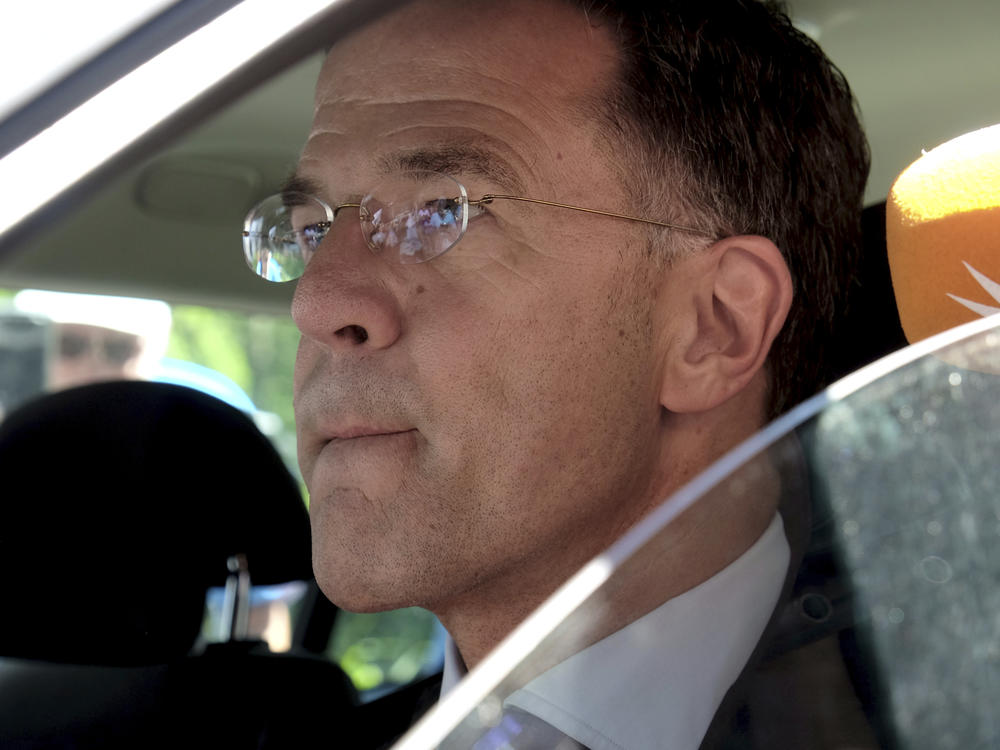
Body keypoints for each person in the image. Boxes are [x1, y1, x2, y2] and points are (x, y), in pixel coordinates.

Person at [242, 0, 868, 745]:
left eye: (442, 212)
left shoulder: (943, 707)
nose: (316, 301)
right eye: (313, 228)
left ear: (713, 326)